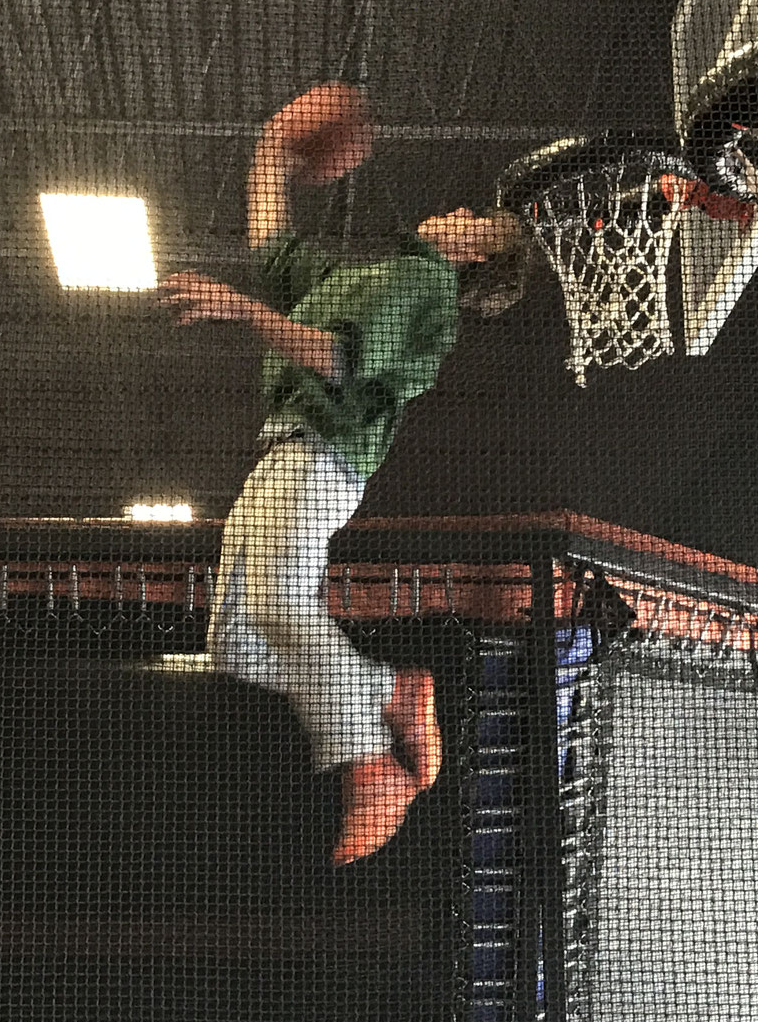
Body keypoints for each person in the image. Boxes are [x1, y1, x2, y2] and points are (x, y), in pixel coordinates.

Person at [156, 84, 530, 865]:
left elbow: (338, 359)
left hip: (322, 452)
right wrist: (272, 144)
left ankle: (371, 764)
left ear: (476, 256)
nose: (455, 213)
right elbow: (275, 251)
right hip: (279, 452)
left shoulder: (427, 287)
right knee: (235, 646)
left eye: (472, 221)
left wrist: (237, 311)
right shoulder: (375, 273)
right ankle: (391, 691)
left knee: (281, 602)